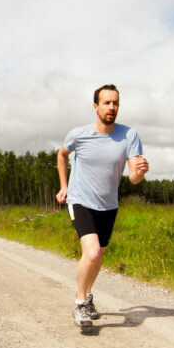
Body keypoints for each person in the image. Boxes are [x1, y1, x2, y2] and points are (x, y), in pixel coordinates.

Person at [56, 84, 148, 331]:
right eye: (107, 103)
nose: (112, 107)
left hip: (108, 205)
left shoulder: (129, 135)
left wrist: (139, 172)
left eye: (115, 103)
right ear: (95, 106)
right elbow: (61, 154)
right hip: (80, 200)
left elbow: (133, 178)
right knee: (93, 252)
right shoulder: (80, 134)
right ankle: (79, 303)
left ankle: (87, 296)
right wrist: (64, 186)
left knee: (98, 259)